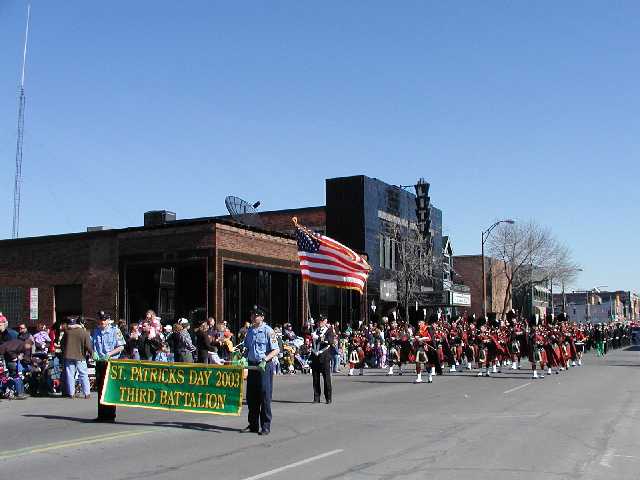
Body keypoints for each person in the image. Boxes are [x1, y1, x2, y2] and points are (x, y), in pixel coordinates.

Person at [242, 306, 279, 435]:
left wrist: (265, 360)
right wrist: (243, 357)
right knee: (251, 396)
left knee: (264, 396)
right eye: (252, 315)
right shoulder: (250, 331)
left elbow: (276, 350)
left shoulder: (268, 331)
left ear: (262, 317)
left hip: (264, 366)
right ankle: (253, 424)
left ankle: (265, 425)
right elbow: (246, 347)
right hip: (252, 366)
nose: (253, 317)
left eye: (256, 315)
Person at [91, 312, 125, 422]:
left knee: (110, 388)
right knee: (100, 389)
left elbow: (121, 347)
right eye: (101, 319)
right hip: (100, 362)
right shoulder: (96, 331)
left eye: (104, 320)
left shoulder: (115, 330)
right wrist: (93, 353)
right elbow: (92, 345)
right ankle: (101, 415)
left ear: (108, 320)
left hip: (111, 362)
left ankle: (110, 415)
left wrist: (109, 354)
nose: (102, 322)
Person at [61, 317, 93, 399]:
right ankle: (87, 393)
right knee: (83, 375)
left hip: (68, 356)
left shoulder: (67, 332)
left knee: (70, 375)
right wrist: (92, 354)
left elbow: (62, 343)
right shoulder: (85, 333)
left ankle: (71, 393)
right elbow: (88, 346)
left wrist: (65, 352)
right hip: (80, 356)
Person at [310, 315, 335, 404]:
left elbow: (330, 341)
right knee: (315, 379)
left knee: (326, 378)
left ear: (325, 321)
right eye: (319, 321)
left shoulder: (329, 330)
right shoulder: (315, 330)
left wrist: (319, 338)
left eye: (322, 321)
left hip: (324, 356)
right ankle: (316, 397)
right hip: (315, 356)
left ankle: (328, 397)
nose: (320, 322)